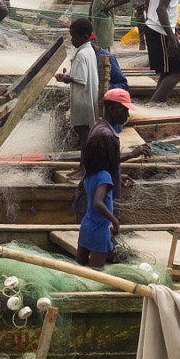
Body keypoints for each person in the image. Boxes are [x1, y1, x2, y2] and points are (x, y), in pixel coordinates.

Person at [76, 107, 120, 269]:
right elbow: (97, 203)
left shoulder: (89, 174)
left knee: (79, 266)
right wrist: (115, 221)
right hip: (100, 230)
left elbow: (82, 187)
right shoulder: (104, 176)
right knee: (96, 272)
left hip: (86, 226)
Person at [56, 16, 108, 148]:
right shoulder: (89, 50)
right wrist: (68, 74)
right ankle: (85, 164)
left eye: (74, 37)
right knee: (87, 133)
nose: (72, 40)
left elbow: (81, 79)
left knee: (84, 134)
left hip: (82, 101)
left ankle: (84, 165)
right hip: (89, 98)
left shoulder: (80, 55)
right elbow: (82, 75)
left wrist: (65, 78)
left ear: (85, 36)